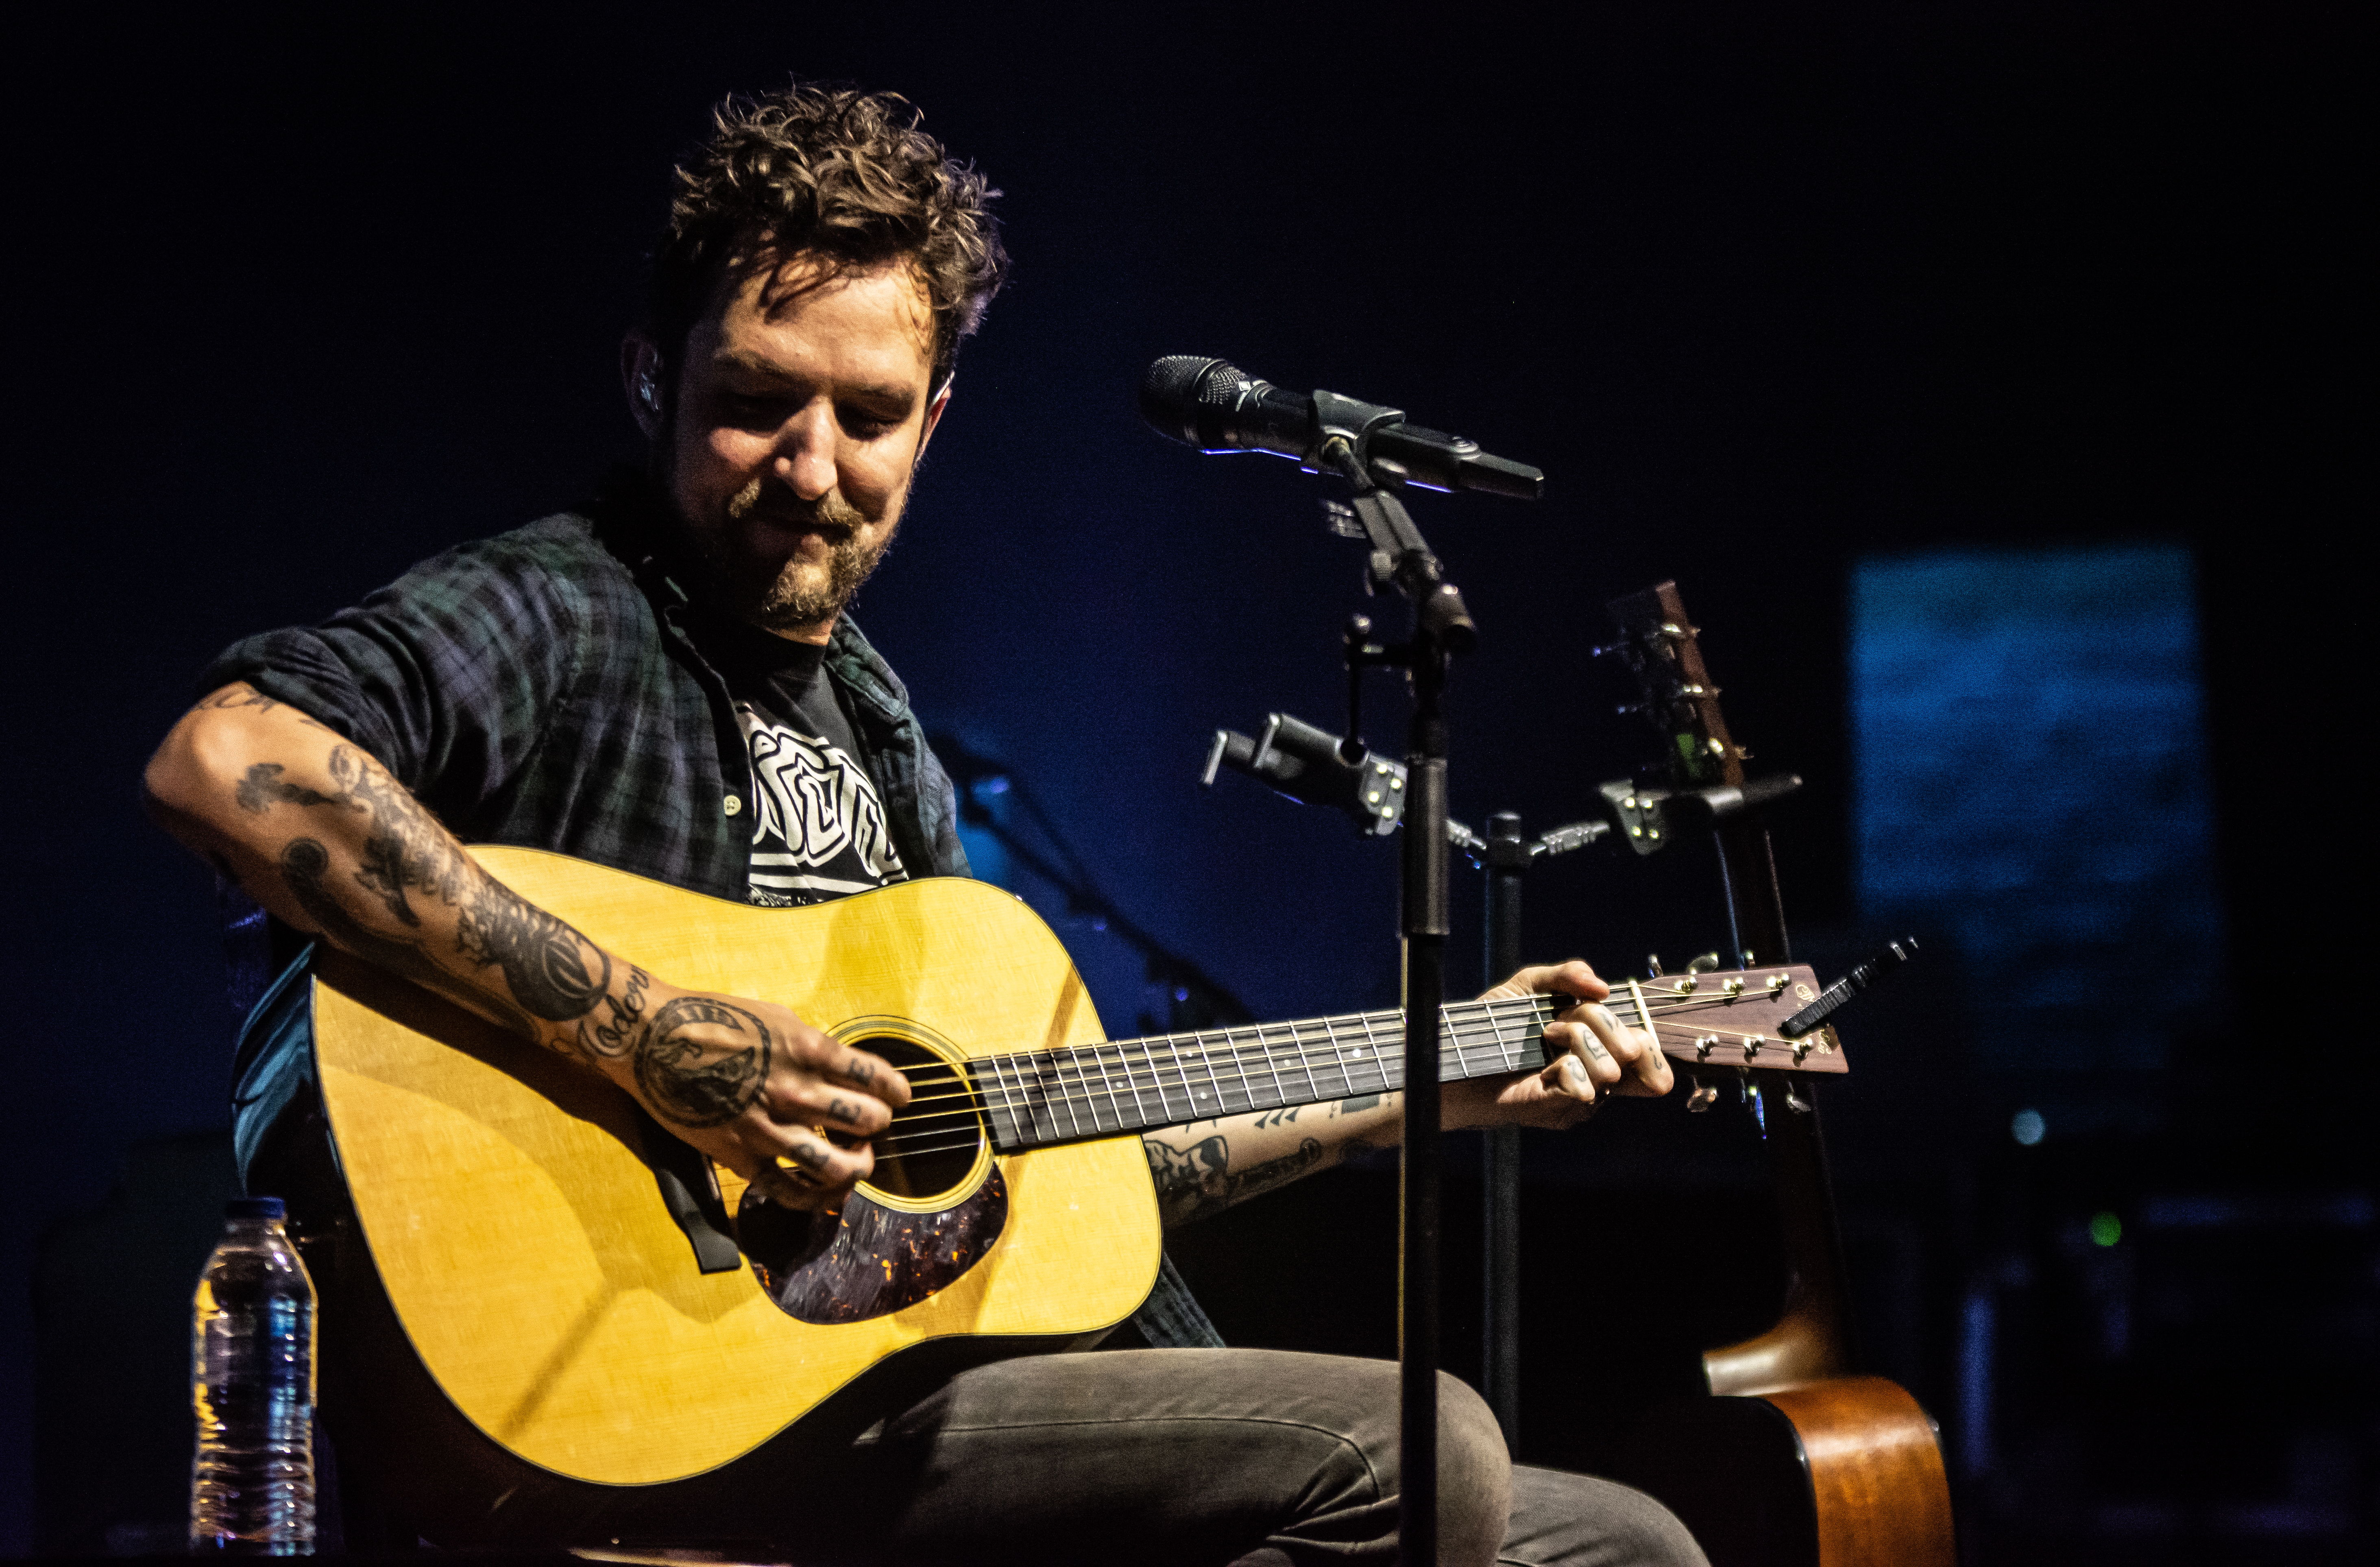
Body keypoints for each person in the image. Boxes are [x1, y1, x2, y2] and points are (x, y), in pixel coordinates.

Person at [144, 85, 1708, 1567]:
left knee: (1620, 1543)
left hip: (872, 1391)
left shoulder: (887, 741)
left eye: (869, 413)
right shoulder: (566, 606)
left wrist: (1437, 1074)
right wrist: (659, 1033)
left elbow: (1029, 1169)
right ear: (650, 381)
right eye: (755, 403)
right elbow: (230, 758)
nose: (812, 469)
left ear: (934, 420)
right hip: (602, 1399)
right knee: (1412, 1448)